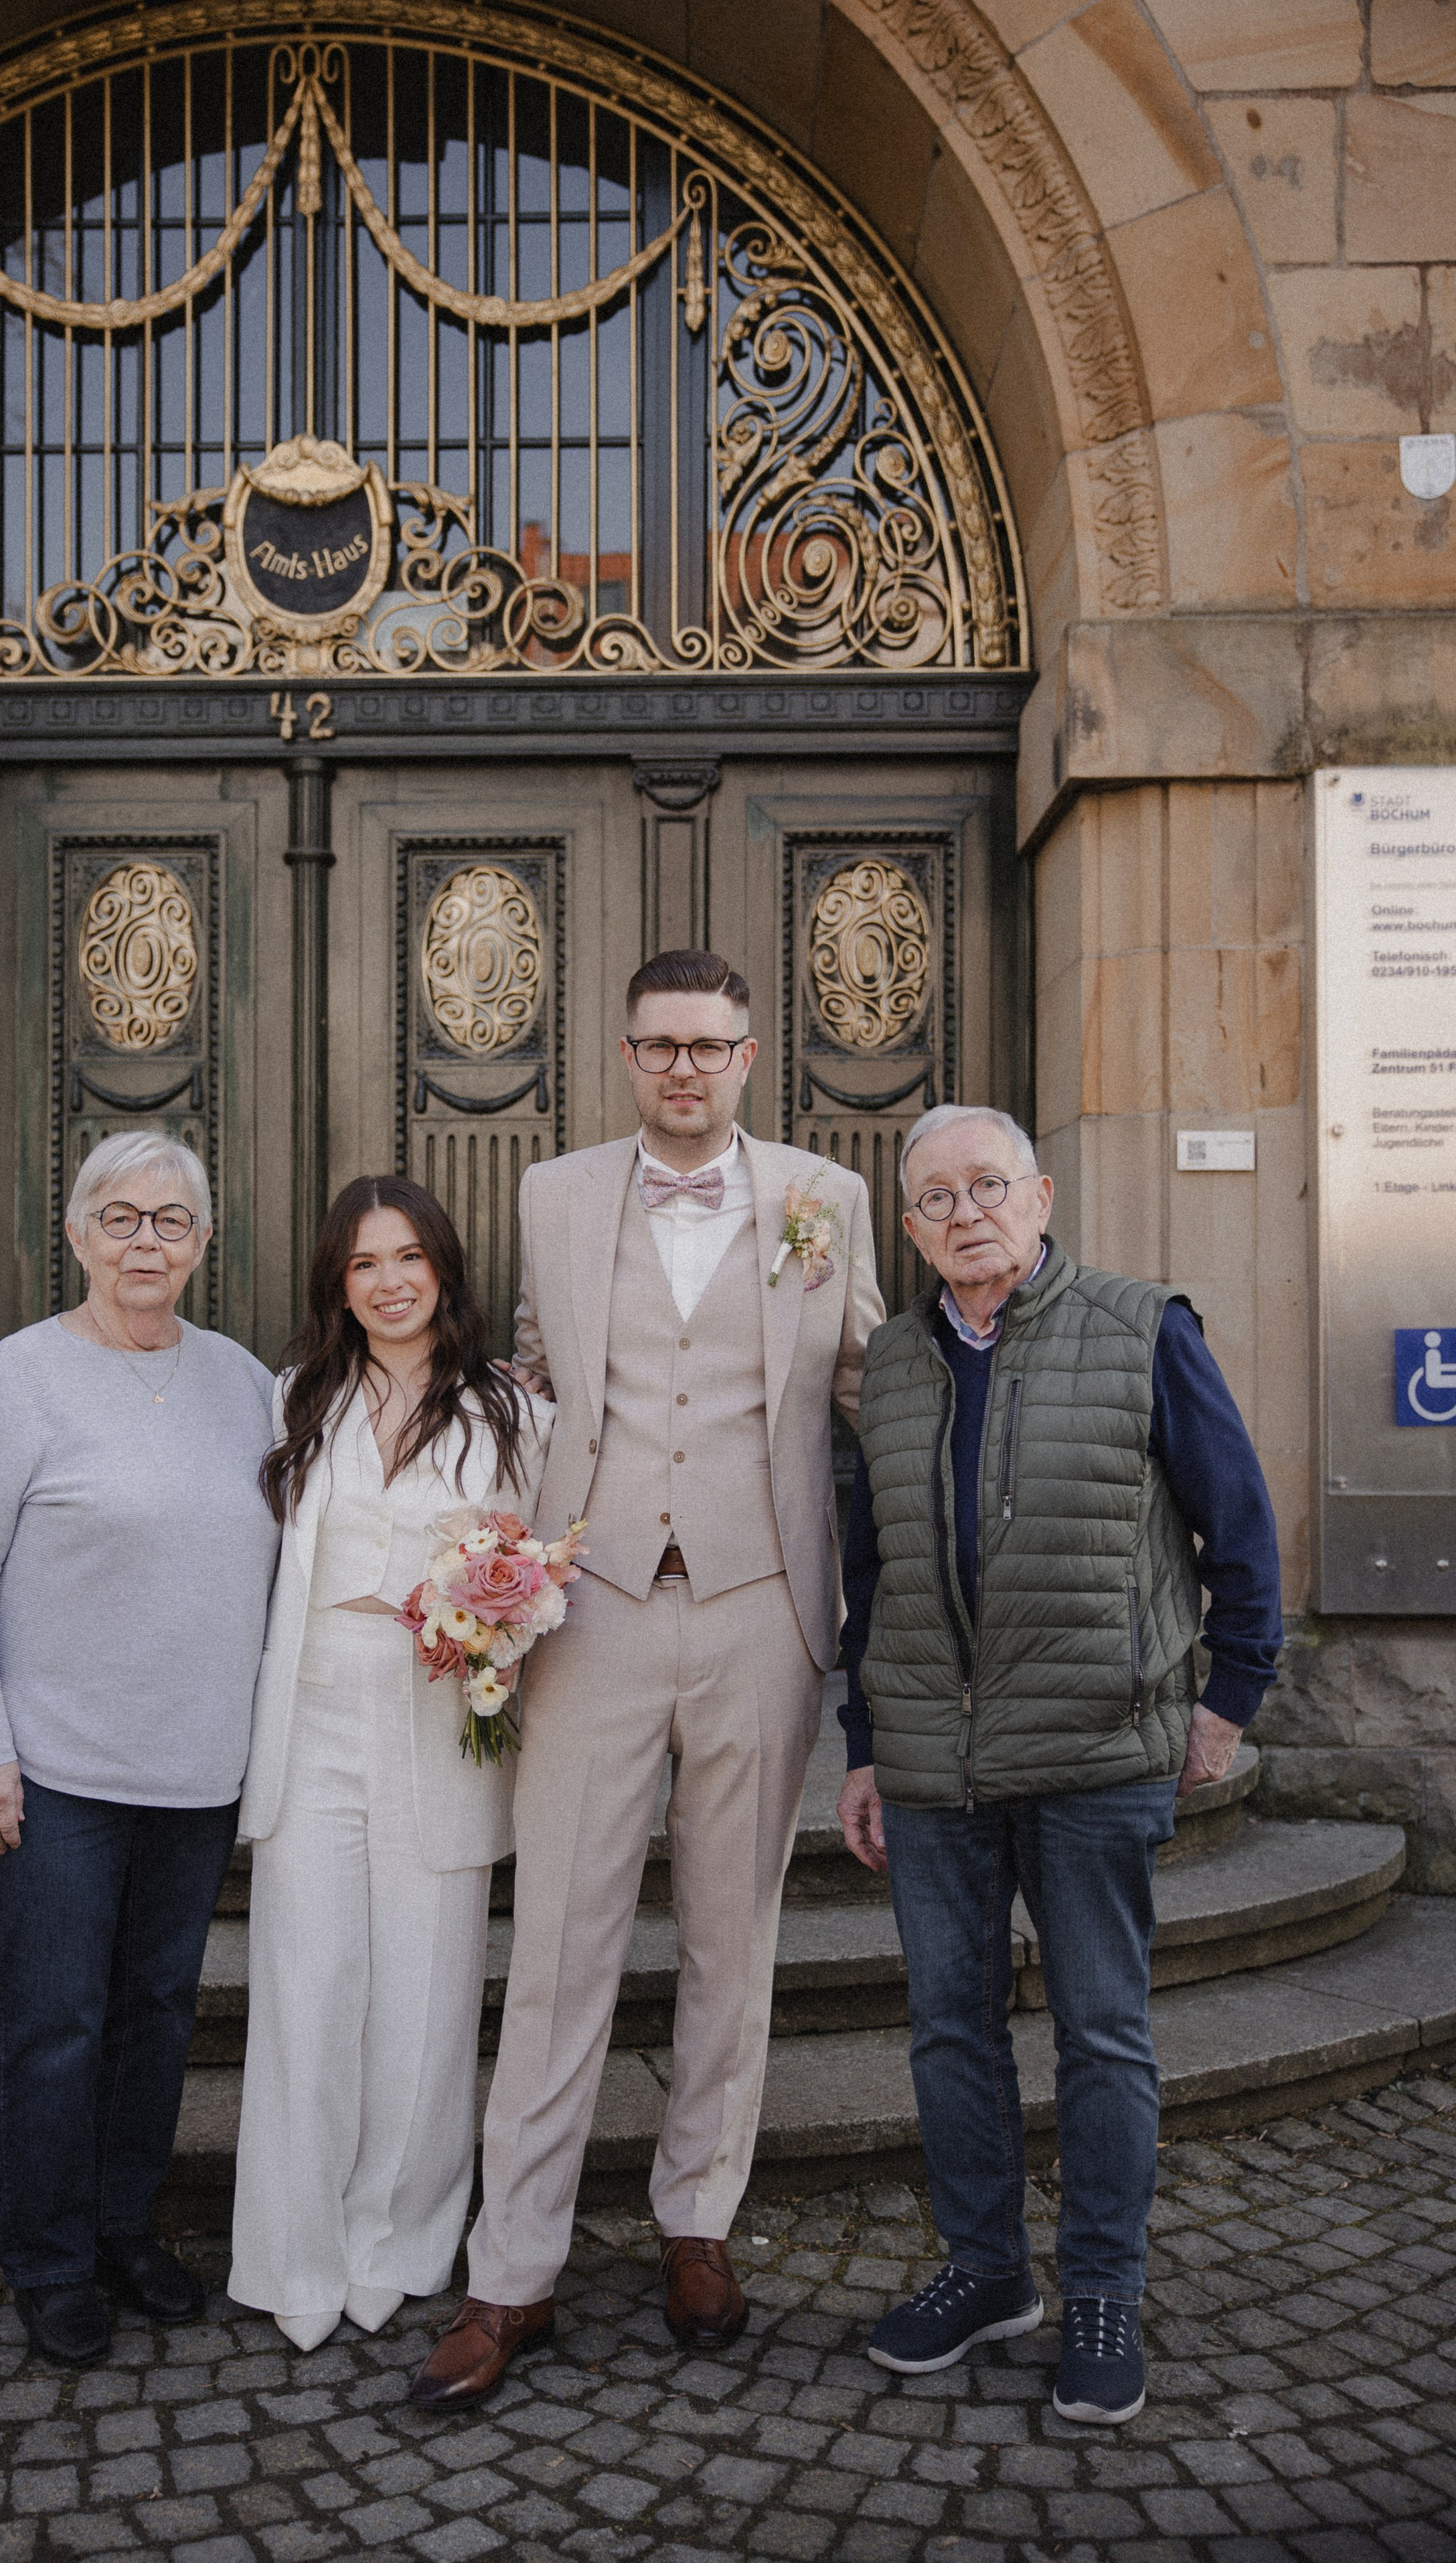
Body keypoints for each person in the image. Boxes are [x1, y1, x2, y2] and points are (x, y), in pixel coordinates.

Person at [408, 948, 886, 2408]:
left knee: (732, 1941)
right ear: (626, 1056)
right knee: (557, 1943)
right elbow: (535, 1380)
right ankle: (513, 2274)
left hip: (763, 1606)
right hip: (593, 1606)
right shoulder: (553, 1194)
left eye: (709, 1046)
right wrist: (479, 1564)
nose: (684, 1068)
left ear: (749, 1057)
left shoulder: (827, 1197)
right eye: (660, 1045)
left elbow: (872, 1384)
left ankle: (697, 2224)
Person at [836, 1103, 1283, 2426]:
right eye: (934, 1197)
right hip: (931, 1760)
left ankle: (1100, 2289)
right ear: (907, 1226)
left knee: (1100, 2034)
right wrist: (862, 1745)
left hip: (1096, 1745)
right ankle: (985, 2271)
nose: (963, 1212)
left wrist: (1231, 1696)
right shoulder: (893, 1361)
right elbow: (874, 1569)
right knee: (948, 2033)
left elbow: (1237, 1518)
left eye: (987, 1186)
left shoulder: (1145, 1327)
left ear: (1038, 1196)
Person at [0, 1132, 279, 2367]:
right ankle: (54, 2259)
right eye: (119, 1219)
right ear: (75, 1236)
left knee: (157, 2013)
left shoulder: (244, 1382)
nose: (144, 1243)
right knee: (56, 2021)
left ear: (204, 1243)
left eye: (170, 1222)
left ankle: (124, 2228)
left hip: (196, 1774)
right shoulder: (20, 1379)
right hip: (53, 1776)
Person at [228, 1176, 553, 2352]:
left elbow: (546, 1562)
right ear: (338, 1281)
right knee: (308, 1987)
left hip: (439, 1709)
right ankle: (295, 2251)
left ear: (445, 1270)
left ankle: (398, 2242)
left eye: (410, 1257)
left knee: (425, 1997)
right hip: (313, 1700)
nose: (390, 1281)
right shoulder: (289, 1398)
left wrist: (507, 1615)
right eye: (365, 1263)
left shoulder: (512, 1412)